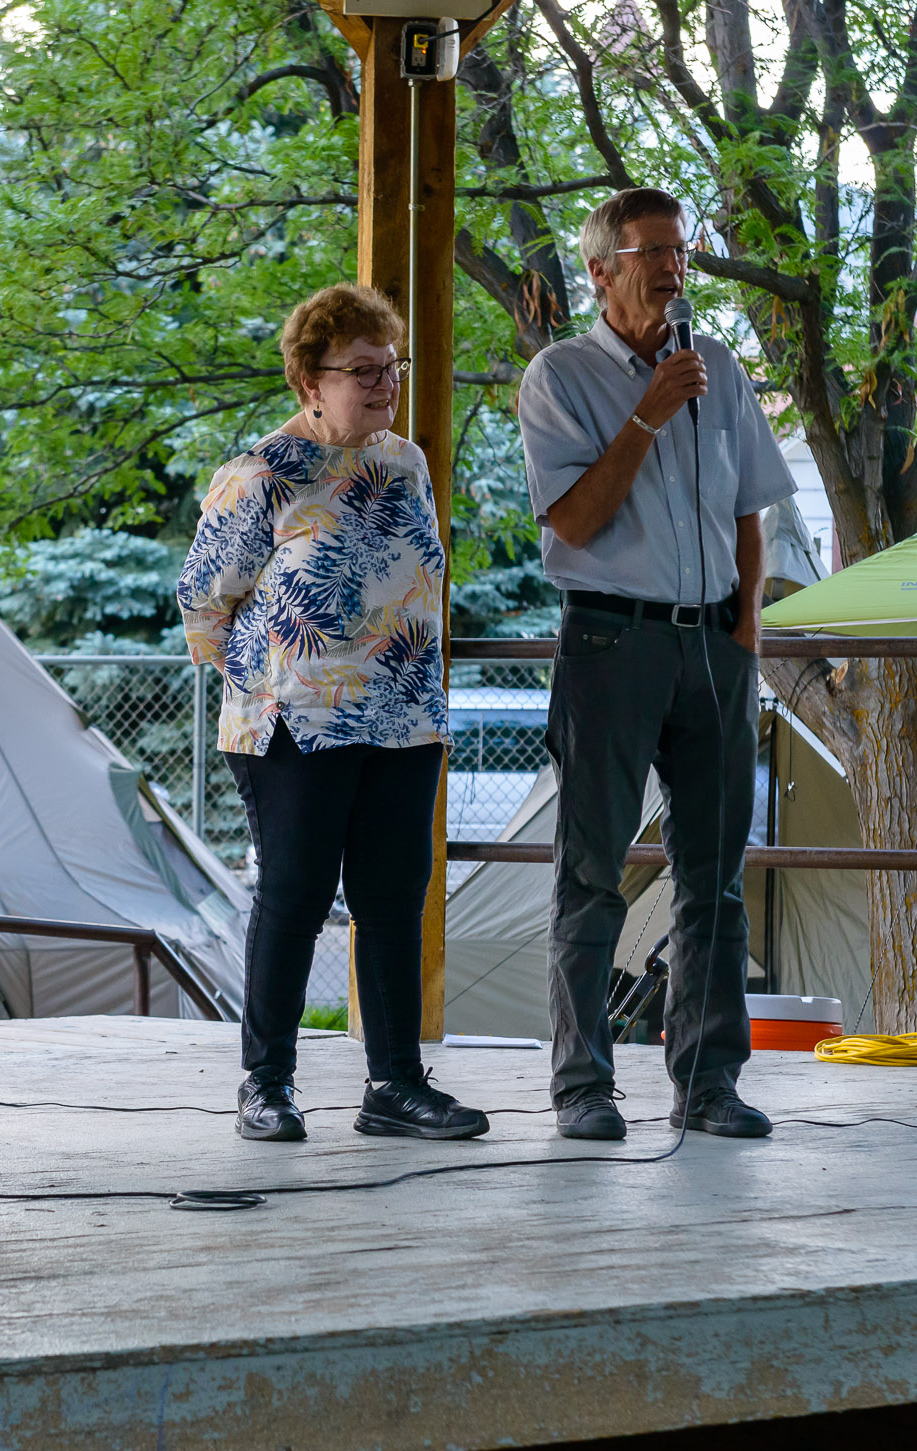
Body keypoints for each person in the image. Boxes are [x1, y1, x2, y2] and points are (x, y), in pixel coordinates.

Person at [517, 187, 799, 1143]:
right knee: (591, 872)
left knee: (714, 876)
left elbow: (750, 508)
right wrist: (645, 412)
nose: (676, 267)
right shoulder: (559, 378)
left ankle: (709, 1081)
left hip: (714, 645)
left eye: (683, 250)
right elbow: (575, 521)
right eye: (654, 252)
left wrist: (746, 632)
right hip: (610, 641)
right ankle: (583, 1087)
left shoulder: (714, 366)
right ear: (601, 270)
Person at [178, 283, 487, 1144]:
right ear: (309, 379)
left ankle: (394, 1086)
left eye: (392, 368)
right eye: (363, 370)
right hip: (295, 723)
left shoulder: (406, 462)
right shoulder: (262, 474)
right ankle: (265, 1085)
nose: (385, 384)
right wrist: (261, 683)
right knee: (295, 898)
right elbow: (204, 598)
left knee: (395, 901)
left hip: (403, 718)